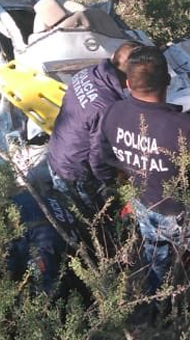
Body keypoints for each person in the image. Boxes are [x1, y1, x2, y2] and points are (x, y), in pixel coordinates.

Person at [97, 46, 190, 295]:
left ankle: (156, 301)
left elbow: (102, 156)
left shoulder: (113, 112)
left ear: (128, 83)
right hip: (178, 213)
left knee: (156, 258)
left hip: (142, 205)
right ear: (168, 81)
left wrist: (129, 171)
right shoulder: (183, 125)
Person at [47, 41, 141, 215]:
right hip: (75, 173)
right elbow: (99, 158)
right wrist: (113, 183)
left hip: (56, 152)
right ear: (129, 81)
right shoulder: (106, 107)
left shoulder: (87, 73)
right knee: (93, 217)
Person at [5, 189, 79, 298]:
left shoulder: (40, 243)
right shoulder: (21, 199)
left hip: (60, 249)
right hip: (68, 231)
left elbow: (50, 290)